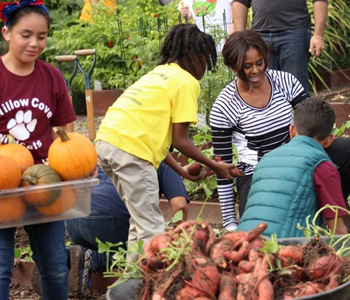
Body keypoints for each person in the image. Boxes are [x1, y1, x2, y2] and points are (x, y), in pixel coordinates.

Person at [94, 23, 236, 262]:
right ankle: (150, 289)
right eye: (205, 60)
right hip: (131, 151)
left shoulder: (158, 73)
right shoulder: (186, 82)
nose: (206, 69)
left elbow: (161, 140)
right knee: (152, 229)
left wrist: (181, 170)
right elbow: (181, 141)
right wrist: (214, 165)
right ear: (193, 56)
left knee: (139, 224)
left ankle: (132, 286)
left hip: (107, 142)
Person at [209, 30, 350, 231]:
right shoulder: (224, 105)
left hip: (298, 161)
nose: (256, 71)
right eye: (247, 66)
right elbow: (222, 168)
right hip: (258, 174)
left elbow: (312, 120)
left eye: (260, 63)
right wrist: (230, 223)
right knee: (262, 225)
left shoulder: (284, 82)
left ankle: (323, 212)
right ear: (234, 66)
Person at [0, 2, 77, 299]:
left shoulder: (51, 77)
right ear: (6, 32)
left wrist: (69, 164)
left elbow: (65, 134)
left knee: (56, 266)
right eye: (26, 34)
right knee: (1, 269)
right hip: (2, 185)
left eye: (42, 36)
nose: (35, 43)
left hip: (44, 182)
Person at [60, 163, 190, 298]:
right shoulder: (161, 162)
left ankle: (64, 257)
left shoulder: (115, 151)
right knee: (146, 256)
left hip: (74, 217)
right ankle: (94, 259)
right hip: (106, 221)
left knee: (109, 241)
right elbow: (179, 205)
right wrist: (176, 244)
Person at [237, 97, 348, 237]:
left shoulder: (265, 161)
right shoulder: (322, 166)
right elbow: (338, 231)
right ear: (329, 140)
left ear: (292, 131)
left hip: (241, 244)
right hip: (283, 251)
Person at [232, 0, 328, 93]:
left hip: (294, 33)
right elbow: (240, 2)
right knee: (262, 92)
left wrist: (318, 34)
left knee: (296, 90)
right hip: (260, 36)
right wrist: (240, 40)